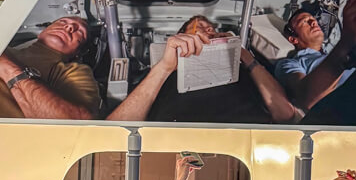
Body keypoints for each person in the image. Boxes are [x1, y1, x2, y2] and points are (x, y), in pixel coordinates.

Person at [108, 16, 299, 124]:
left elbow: (285, 113)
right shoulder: (163, 74)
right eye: (200, 27)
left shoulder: (247, 73)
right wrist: (164, 68)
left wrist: (245, 57)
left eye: (212, 29)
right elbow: (116, 128)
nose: (210, 30)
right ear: (181, 36)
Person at [274, 0, 356, 114]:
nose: (313, 22)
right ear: (293, 39)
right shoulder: (289, 64)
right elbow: (304, 97)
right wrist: (346, 44)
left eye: (312, 19)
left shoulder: (329, 55)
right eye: (304, 22)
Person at [0, 16, 100, 119]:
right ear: (42, 31)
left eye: (79, 32)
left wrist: (9, 71)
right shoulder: (3, 49)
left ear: (78, 53)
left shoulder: (72, 71)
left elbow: (80, 122)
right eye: (62, 22)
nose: (69, 28)